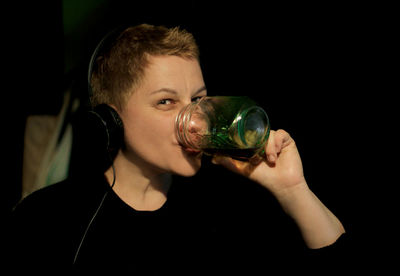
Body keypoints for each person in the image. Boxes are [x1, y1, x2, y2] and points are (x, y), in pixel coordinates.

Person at [5, 23, 346, 274]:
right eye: (166, 101)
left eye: (198, 99)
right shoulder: (46, 220)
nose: (196, 120)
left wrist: (293, 191)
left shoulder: (234, 206)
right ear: (111, 118)